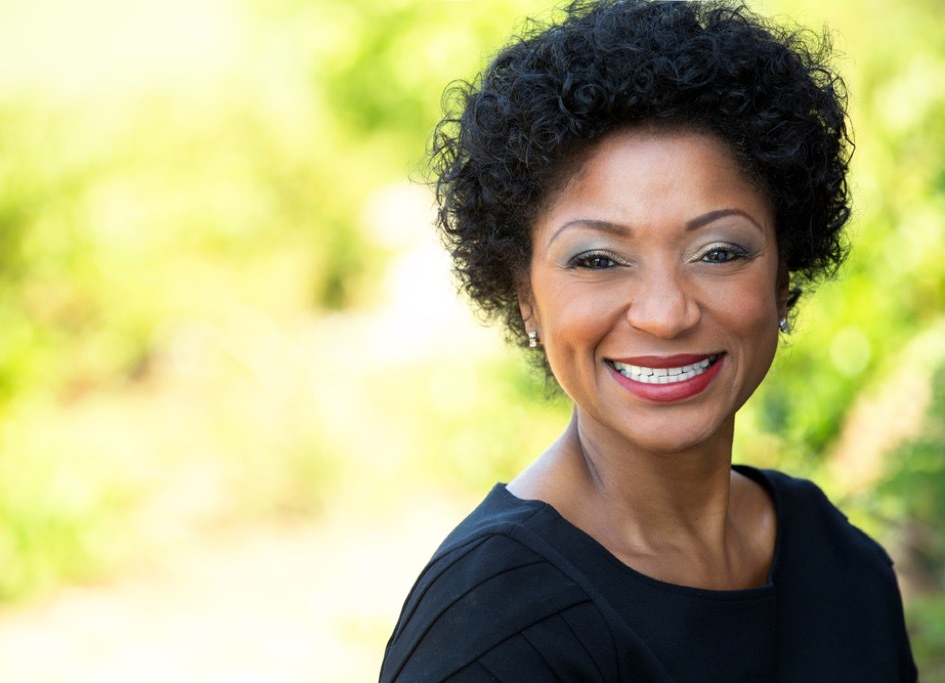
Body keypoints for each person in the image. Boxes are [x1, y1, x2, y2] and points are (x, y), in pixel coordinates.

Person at [379, 0, 918, 681]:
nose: (665, 314)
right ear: (525, 298)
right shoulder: (493, 630)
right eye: (599, 259)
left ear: (784, 276)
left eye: (719, 251)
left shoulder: (841, 564)